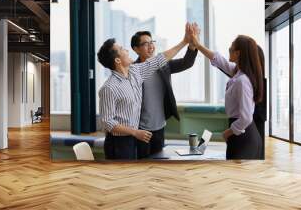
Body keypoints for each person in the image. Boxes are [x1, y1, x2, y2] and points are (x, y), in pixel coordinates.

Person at [97, 23, 194, 160]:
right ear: (118, 60)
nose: (127, 50)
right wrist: (135, 132)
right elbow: (107, 122)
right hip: (118, 143)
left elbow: (160, 59)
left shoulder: (135, 72)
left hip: (133, 138)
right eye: (122, 49)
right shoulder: (109, 88)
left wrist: (185, 41)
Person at [190, 27, 263, 159]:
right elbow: (218, 60)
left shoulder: (242, 81)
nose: (228, 50)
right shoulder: (237, 73)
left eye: (231, 49)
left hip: (244, 136)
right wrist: (198, 45)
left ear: (238, 53)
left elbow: (246, 118)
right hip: (241, 133)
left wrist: (228, 132)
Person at [130, 30, 199, 159]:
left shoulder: (163, 65)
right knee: (142, 166)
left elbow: (186, 62)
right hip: (140, 128)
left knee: (158, 165)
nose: (151, 46)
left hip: (160, 126)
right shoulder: (133, 70)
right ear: (136, 49)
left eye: (152, 42)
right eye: (145, 44)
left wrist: (192, 45)